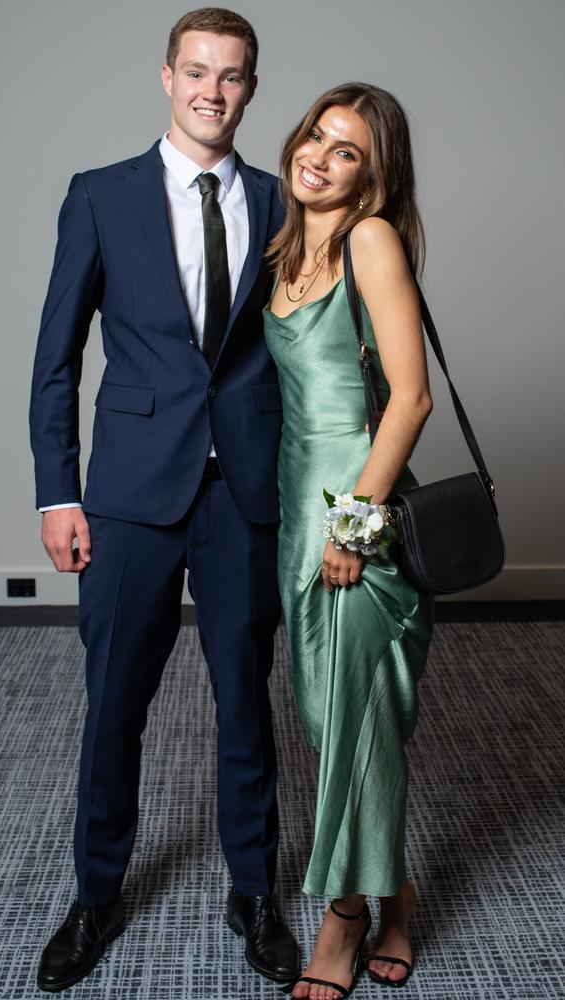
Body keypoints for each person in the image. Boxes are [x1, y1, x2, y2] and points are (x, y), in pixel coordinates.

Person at [29, 7, 300, 992]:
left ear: (251, 88)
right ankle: (96, 893)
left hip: (243, 495)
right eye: (196, 72)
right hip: (130, 497)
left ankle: (253, 892)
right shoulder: (100, 197)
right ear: (165, 76)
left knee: (244, 703)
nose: (211, 91)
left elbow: (307, 359)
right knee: (115, 708)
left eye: (231, 76)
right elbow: (55, 361)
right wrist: (56, 493)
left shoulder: (283, 204)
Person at [263, 83, 435, 1000]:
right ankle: (397, 891)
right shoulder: (291, 244)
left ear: (374, 176)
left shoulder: (370, 239)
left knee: (359, 725)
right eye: (316, 137)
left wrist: (353, 528)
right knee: (330, 725)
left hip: (350, 514)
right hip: (298, 512)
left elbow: (410, 398)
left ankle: (346, 916)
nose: (320, 158)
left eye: (348, 152)